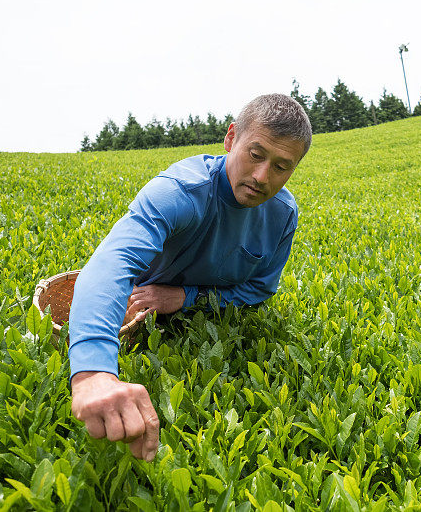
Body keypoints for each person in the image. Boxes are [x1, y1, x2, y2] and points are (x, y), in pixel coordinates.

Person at [68, 94, 311, 462]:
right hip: (135, 309)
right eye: (256, 154)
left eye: (281, 166)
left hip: (191, 312)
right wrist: (92, 373)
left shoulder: (282, 214)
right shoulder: (182, 191)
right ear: (231, 139)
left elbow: (260, 289)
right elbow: (112, 264)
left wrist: (186, 297)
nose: (262, 177)